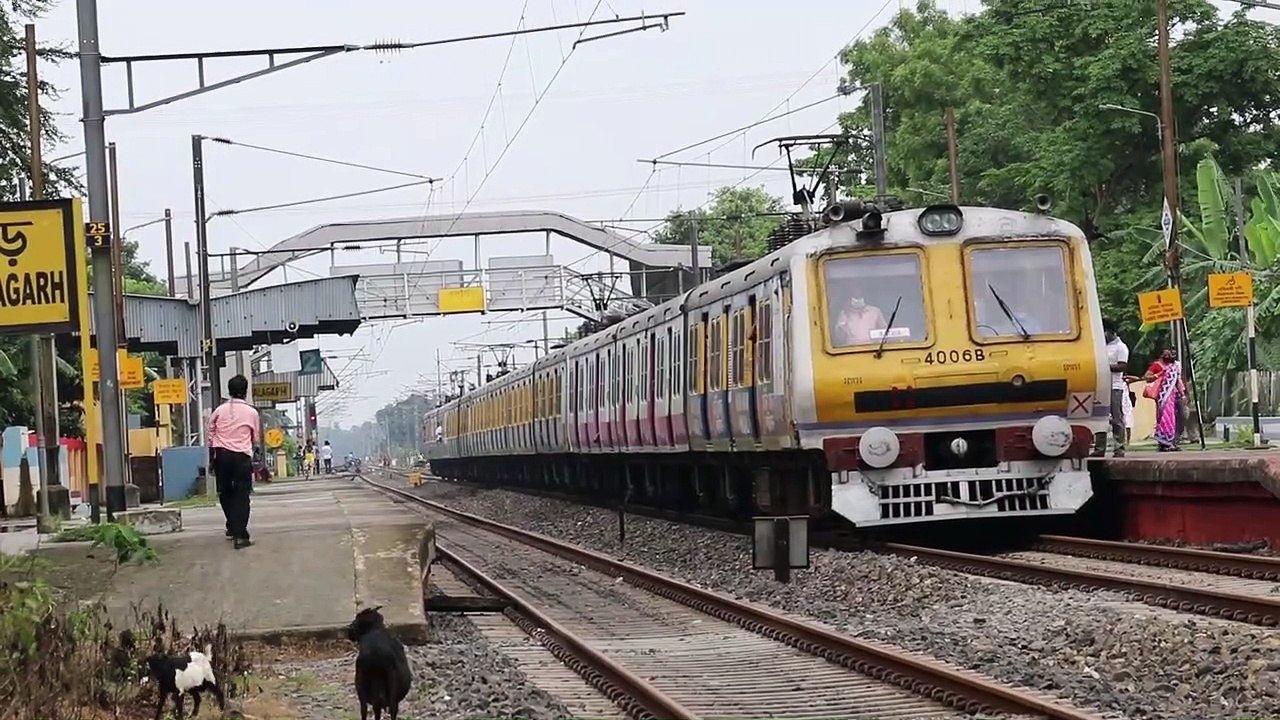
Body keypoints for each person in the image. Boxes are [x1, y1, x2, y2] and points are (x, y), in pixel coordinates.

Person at [207, 374, 259, 549]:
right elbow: (255, 438)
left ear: (229, 391)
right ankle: (240, 535)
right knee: (242, 495)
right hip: (241, 457)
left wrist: (214, 450)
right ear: (245, 391)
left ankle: (232, 525)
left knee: (225, 492)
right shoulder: (252, 413)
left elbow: (210, 432)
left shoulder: (219, 411)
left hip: (221, 456)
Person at [1092, 320, 1129, 457]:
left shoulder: (1121, 347)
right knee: (1100, 418)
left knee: (1116, 418)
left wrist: (1104, 367)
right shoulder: (1102, 346)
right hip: (1102, 387)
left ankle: (1119, 448)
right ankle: (1099, 449)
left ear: (1111, 332)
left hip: (1115, 387)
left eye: (1105, 331)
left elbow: (1122, 366)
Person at [1144, 347, 1187, 452]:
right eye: (1166, 354)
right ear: (1161, 355)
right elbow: (1147, 377)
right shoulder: (1157, 365)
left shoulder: (1174, 366)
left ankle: (1173, 441)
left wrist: (1183, 394)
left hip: (1175, 396)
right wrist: (1158, 375)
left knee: (1179, 418)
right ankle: (1163, 443)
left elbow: (1178, 381)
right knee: (1164, 419)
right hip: (1163, 397)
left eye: (1170, 354)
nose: (1169, 356)